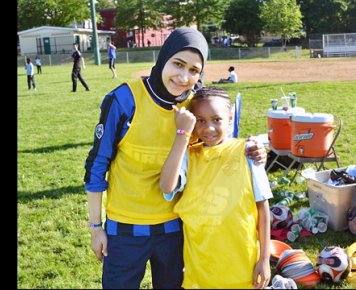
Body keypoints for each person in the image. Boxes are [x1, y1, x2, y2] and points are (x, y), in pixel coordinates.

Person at [84, 28, 267, 289]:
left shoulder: (195, 105)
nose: (183, 77)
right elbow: (96, 166)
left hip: (176, 228)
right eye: (178, 64)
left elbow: (222, 144)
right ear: (163, 58)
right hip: (125, 228)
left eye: (194, 70)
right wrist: (95, 226)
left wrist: (255, 148)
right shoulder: (124, 100)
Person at [160, 86, 272, 289]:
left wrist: (264, 260)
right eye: (200, 121)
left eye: (216, 120)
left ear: (230, 118)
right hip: (200, 270)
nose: (208, 128)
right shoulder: (188, 155)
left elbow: (263, 208)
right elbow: (167, 187)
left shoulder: (248, 152)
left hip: (242, 266)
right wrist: (182, 134)